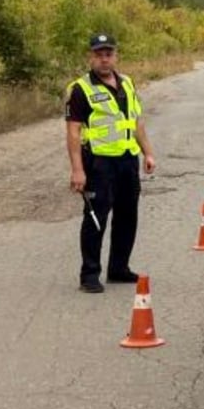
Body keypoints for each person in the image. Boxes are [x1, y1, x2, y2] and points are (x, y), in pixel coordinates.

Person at [65, 33, 156, 293]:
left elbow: (136, 123)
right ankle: (90, 274)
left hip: (127, 161)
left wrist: (147, 153)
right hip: (98, 164)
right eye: (98, 54)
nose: (104, 59)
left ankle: (119, 268)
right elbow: (73, 132)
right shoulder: (80, 89)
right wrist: (77, 170)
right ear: (91, 57)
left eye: (108, 54)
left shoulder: (127, 83)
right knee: (96, 219)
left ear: (116, 56)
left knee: (128, 217)